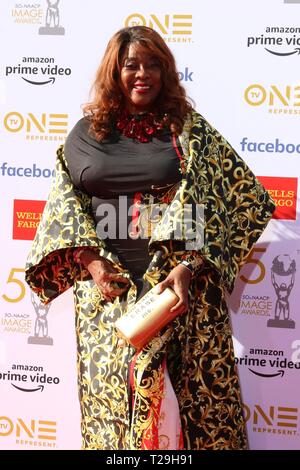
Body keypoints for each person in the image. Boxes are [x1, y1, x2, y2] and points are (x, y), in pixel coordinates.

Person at [25, 26, 275, 450]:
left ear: (167, 71)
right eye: (131, 65)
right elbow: (64, 209)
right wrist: (92, 263)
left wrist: (189, 265)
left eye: (153, 64)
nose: (143, 74)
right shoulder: (86, 133)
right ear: (114, 71)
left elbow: (241, 200)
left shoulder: (189, 131)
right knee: (115, 417)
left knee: (203, 415)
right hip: (109, 299)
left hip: (181, 294)